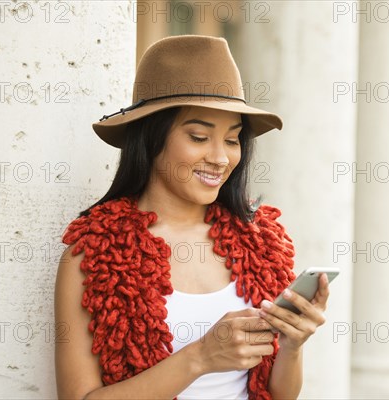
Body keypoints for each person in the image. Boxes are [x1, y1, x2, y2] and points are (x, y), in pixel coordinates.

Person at [54, 35, 330, 400]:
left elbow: (279, 394)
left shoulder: (261, 243)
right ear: (152, 139)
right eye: (199, 136)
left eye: (232, 140)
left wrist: (293, 345)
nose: (220, 158)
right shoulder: (95, 255)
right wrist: (200, 357)